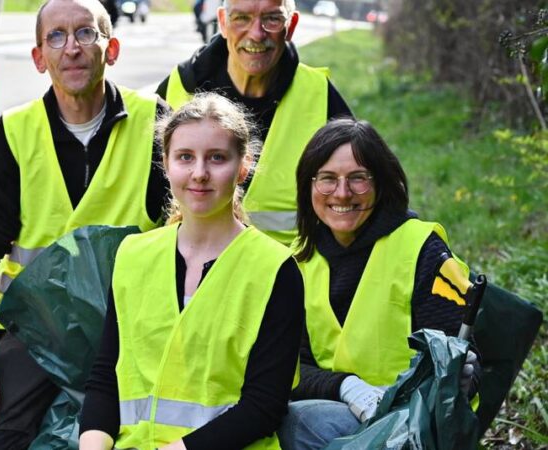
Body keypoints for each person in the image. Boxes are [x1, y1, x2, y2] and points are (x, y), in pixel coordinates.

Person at [0, 0, 169, 446]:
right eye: (56, 36)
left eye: (86, 33)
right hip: (39, 332)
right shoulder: (15, 132)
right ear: (39, 58)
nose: (71, 48)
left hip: (134, 330)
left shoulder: (155, 123)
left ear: (111, 49)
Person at [79, 93, 304, 450]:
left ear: (243, 167)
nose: (199, 173)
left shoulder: (275, 269)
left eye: (217, 158)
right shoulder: (133, 255)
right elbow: (106, 378)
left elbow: (264, 407)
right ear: (166, 164)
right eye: (185, 157)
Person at [280, 118, 479, 449]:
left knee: (296, 423)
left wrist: (458, 375)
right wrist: (347, 386)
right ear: (308, 186)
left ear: (381, 184)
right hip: (344, 410)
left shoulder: (421, 249)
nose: (342, 193)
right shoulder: (299, 259)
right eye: (327, 179)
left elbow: (461, 360)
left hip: (414, 422)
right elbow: (289, 367)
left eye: (358, 178)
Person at [156, 0, 352, 244]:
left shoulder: (319, 96)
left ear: (291, 26)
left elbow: (358, 201)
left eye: (272, 19)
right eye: (241, 18)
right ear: (223, 22)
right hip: (187, 266)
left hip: (290, 267)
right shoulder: (174, 91)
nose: (257, 34)